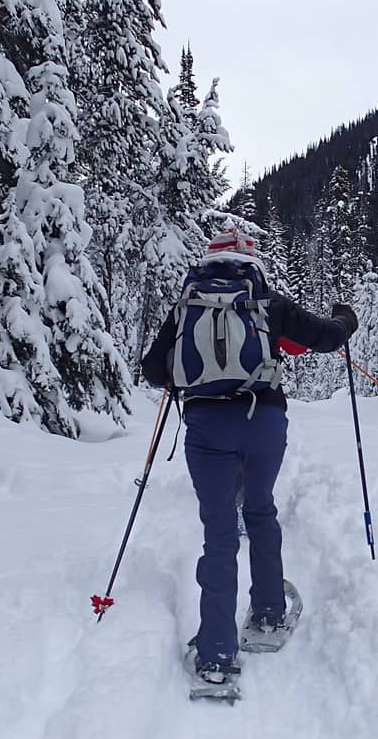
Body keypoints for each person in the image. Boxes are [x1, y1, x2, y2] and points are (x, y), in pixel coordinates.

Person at [140, 229, 358, 683]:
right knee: (260, 511)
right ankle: (267, 616)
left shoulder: (188, 304)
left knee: (218, 533)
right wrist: (343, 319)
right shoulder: (267, 302)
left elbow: (154, 370)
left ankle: (216, 656)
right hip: (263, 423)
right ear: (250, 260)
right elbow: (325, 338)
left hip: (205, 429)